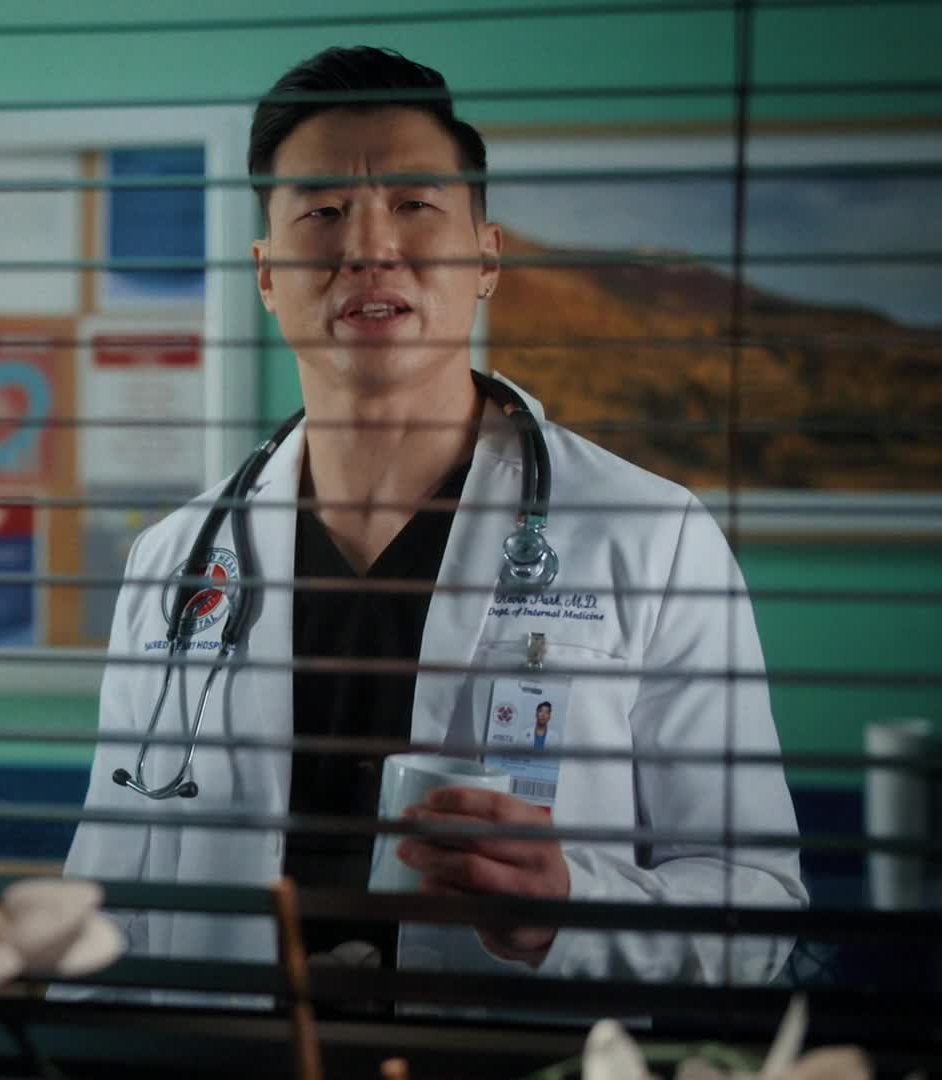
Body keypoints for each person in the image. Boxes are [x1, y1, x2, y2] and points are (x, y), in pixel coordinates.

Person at [62, 46, 805, 1003]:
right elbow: (109, 901)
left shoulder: (651, 538)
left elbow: (756, 904)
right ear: (267, 272)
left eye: (414, 204)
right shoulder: (176, 561)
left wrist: (565, 911)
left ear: (486, 257)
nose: (370, 248)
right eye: (323, 212)